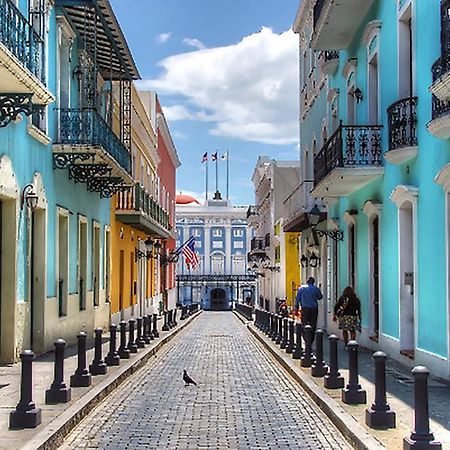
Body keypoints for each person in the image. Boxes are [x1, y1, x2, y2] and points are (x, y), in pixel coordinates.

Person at [295, 277, 323, 342]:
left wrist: (296, 308)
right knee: (313, 324)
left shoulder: (301, 288)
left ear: (307, 281)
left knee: (304, 323)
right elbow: (320, 297)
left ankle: (305, 338)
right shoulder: (316, 289)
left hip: (305, 309)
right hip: (314, 309)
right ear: (313, 282)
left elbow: (297, 299)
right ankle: (311, 339)